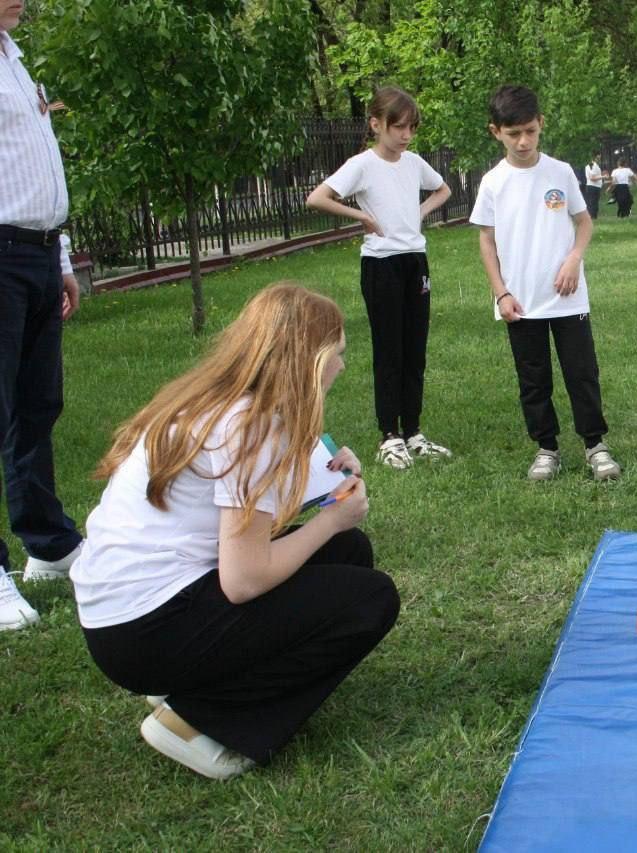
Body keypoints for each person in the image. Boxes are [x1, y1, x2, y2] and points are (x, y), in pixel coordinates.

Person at [71, 283, 400, 779]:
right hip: (146, 630)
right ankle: (197, 721)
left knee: (348, 551)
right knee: (371, 597)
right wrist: (332, 518)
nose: (342, 367)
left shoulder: (220, 405)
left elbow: (235, 520)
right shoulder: (251, 426)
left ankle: (195, 686)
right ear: (307, 361)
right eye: (337, 354)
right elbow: (243, 581)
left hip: (124, 618)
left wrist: (327, 489)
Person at [470, 85, 621, 482]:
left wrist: (573, 259)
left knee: (581, 373)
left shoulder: (559, 172)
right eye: (513, 133)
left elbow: (583, 222)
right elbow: (486, 240)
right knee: (533, 378)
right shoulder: (493, 182)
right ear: (496, 131)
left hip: (567, 298)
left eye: (530, 132)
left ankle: (595, 444)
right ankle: (546, 447)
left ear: (541, 126)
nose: (523, 141)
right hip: (521, 301)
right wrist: (500, 291)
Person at [306, 86, 453, 471]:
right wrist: (362, 218)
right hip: (381, 264)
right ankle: (390, 436)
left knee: (414, 349)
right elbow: (317, 198)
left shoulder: (414, 162)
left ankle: (413, 431)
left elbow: (443, 189)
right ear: (376, 124)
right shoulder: (362, 165)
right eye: (398, 127)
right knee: (390, 351)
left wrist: (417, 212)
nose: (405, 135)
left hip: (414, 261)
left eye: (411, 128)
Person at [0, 4, 85, 631]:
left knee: (36, 406)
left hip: (33, 254)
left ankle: (48, 545)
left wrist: (58, 259)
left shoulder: (15, 57)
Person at [583, 155, 603, 219]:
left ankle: (592, 217)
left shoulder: (588, 165)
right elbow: (592, 178)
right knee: (593, 203)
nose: (599, 159)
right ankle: (592, 217)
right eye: (598, 158)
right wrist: (603, 176)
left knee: (591, 203)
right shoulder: (594, 165)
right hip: (593, 187)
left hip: (591, 186)